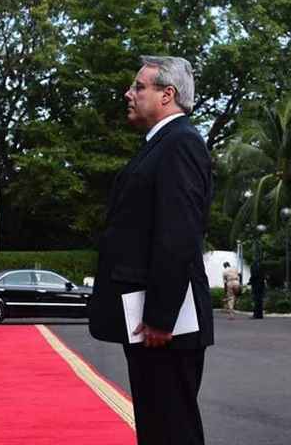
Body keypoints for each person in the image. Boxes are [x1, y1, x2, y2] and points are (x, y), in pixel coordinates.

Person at [88, 55, 213, 445]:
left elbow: (178, 234)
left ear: (167, 95)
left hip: (164, 327)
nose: (129, 94)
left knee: (172, 429)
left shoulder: (180, 144)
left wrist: (161, 317)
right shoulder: (161, 144)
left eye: (139, 87)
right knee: (159, 426)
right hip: (149, 321)